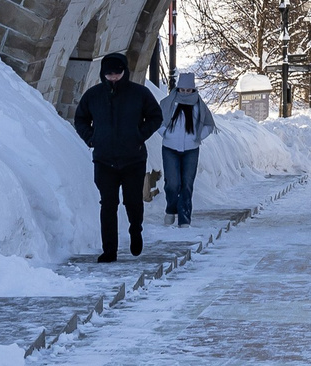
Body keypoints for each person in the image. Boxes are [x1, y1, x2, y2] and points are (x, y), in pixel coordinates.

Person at [72, 51, 161, 261]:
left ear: (124, 72)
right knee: (108, 204)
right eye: (109, 74)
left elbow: (156, 117)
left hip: (134, 158)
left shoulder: (139, 94)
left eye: (117, 73)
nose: (113, 78)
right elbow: (81, 119)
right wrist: (92, 138)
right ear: (103, 74)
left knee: (132, 201)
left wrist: (139, 135)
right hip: (104, 160)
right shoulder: (93, 96)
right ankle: (109, 249)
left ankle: (135, 230)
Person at [157, 70, 215, 226]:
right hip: (169, 148)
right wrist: (165, 133)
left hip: (191, 149)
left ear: (193, 90)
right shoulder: (168, 102)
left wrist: (197, 136)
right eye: (182, 90)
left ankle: (184, 219)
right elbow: (158, 120)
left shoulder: (198, 105)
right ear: (177, 89)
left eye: (188, 90)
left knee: (187, 183)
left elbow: (209, 124)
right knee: (172, 183)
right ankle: (170, 209)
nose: (185, 93)